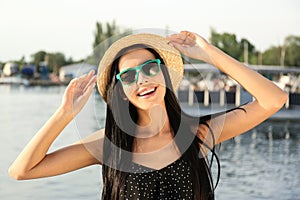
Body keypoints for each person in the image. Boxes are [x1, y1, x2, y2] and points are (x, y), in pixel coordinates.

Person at [9, 30, 288, 200]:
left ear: (164, 74)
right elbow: (21, 171)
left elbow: (274, 99)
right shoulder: (109, 146)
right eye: (129, 76)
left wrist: (210, 54)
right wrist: (63, 114)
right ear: (120, 90)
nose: (142, 80)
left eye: (150, 68)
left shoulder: (198, 135)